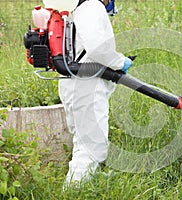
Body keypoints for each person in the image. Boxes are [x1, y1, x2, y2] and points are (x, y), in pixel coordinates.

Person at [42, 0, 133, 186]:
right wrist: (119, 62)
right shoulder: (92, 6)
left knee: (83, 142)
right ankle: (75, 191)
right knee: (90, 148)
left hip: (73, 84)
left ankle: (83, 184)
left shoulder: (72, 10)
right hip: (86, 85)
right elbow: (98, 48)